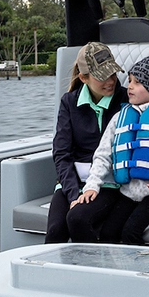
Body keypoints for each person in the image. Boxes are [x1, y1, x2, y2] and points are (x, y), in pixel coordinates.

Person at [70, 55, 149, 245]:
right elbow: (102, 157)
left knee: (130, 232)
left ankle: (141, 271)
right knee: (108, 233)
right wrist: (91, 186)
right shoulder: (119, 118)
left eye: (137, 82)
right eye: (130, 81)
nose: (129, 86)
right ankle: (111, 272)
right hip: (127, 194)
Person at [45, 42, 126, 242]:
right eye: (102, 76)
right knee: (56, 230)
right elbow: (62, 154)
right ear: (84, 78)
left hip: (109, 183)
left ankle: (96, 271)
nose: (111, 81)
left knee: (78, 218)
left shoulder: (126, 101)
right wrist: (73, 195)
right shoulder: (69, 102)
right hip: (73, 182)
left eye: (113, 74)